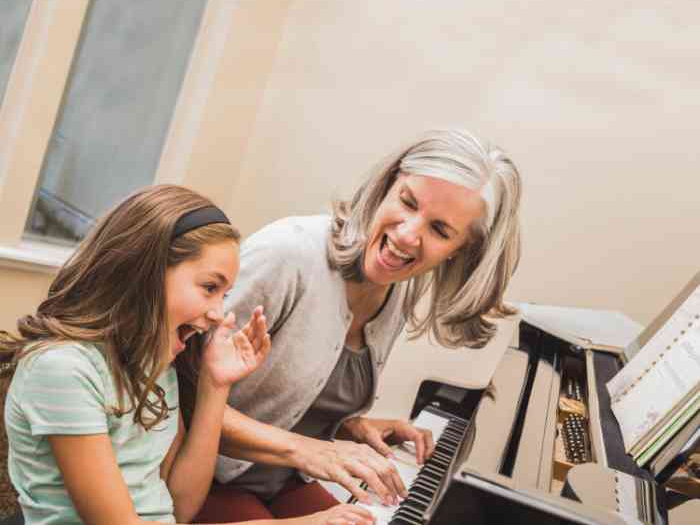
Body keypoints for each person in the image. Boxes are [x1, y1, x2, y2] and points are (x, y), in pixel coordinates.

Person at [177, 129, 522, 522]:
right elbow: (174, 396)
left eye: (439, 230)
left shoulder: (397, 289)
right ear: (386, 186)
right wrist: (308, 450)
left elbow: (291, 400)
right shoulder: (288, 254)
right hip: (201, 478)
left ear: (461, 252)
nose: (408, 234)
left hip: (282, 481)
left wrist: (350, 427)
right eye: (407, 202)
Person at [0, 185, 374, 525]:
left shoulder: (156, 366)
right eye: (209, 287)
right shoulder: (62, 370)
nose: (216, 314)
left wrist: (215, 384)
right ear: (144, 272)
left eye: (223, 295)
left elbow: (179, 507)